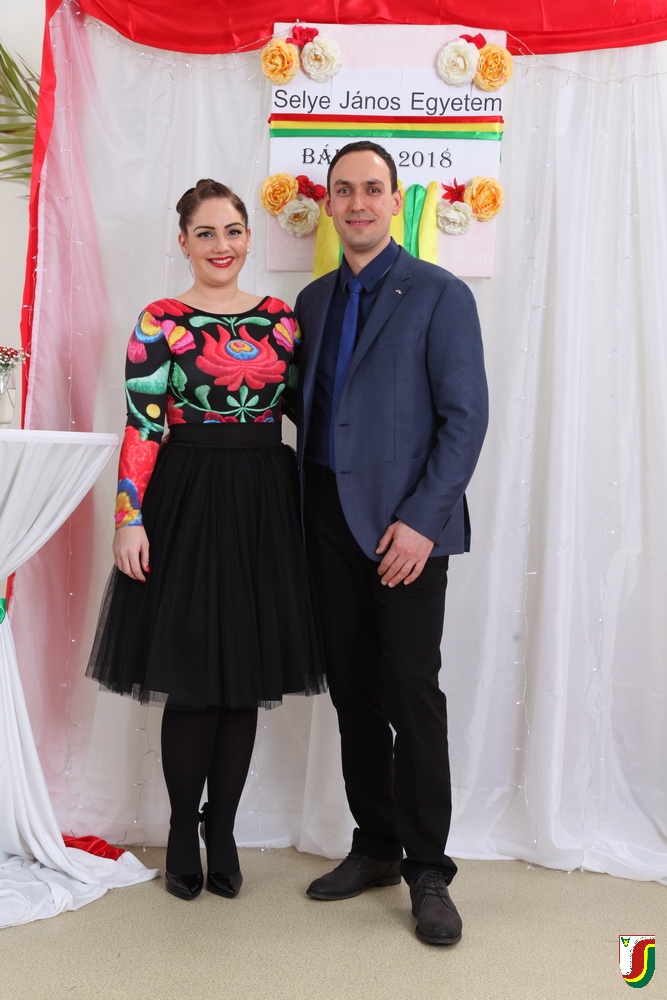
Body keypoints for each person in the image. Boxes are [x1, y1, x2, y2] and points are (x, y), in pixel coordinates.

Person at [87, 179, 325, 902]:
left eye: (233, 231)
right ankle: (181, 830)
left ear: (249, 238)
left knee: (243, 678)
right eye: (206, 233)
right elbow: (143, 422)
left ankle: (222, 829)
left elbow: (306, 412)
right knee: (192, 678)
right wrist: (129, 517)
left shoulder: (281, 320)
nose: (221, 246)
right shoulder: (159, 321)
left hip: (263, 500)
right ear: (184, 242)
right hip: (186, 498)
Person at [293, 141, 488, 945]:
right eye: (343, 190)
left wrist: (422, 521)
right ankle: (374, 845)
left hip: (406, 530)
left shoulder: (440, 294)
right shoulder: (311, 301)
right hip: (326, 523)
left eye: (371, 189)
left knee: (412, 693)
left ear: (395, 200)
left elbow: (464, 418)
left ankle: (428, 870)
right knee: (354, 693)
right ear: (329, 204)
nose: (357, 203)